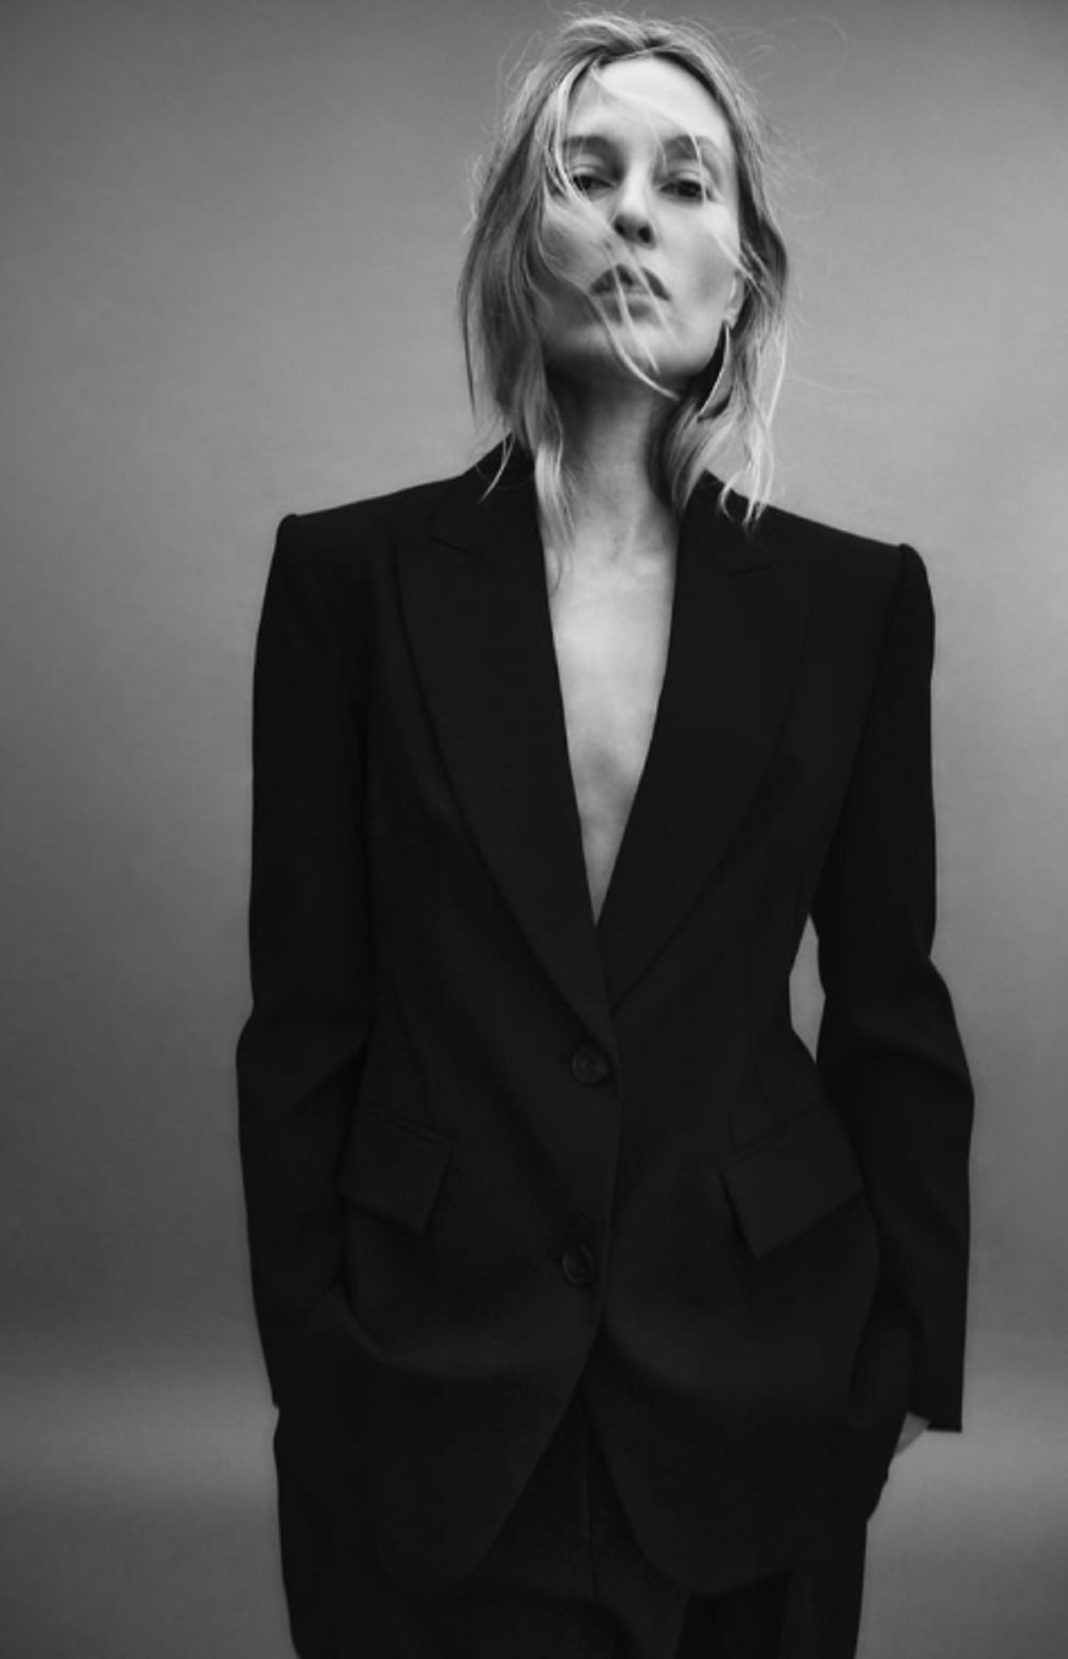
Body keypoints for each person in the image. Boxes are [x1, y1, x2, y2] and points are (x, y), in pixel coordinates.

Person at [235, 13, 974, 1657]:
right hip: (425, 1391)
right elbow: (305, 1018)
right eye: (587, 172)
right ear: (521, 241)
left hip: (763, 1374)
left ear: (743, 278)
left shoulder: (857, 605)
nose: (636, 209)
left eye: (687, 180)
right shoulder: (348, 585)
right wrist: (316, 1354)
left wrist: (908, 1354)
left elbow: (889, 1002)